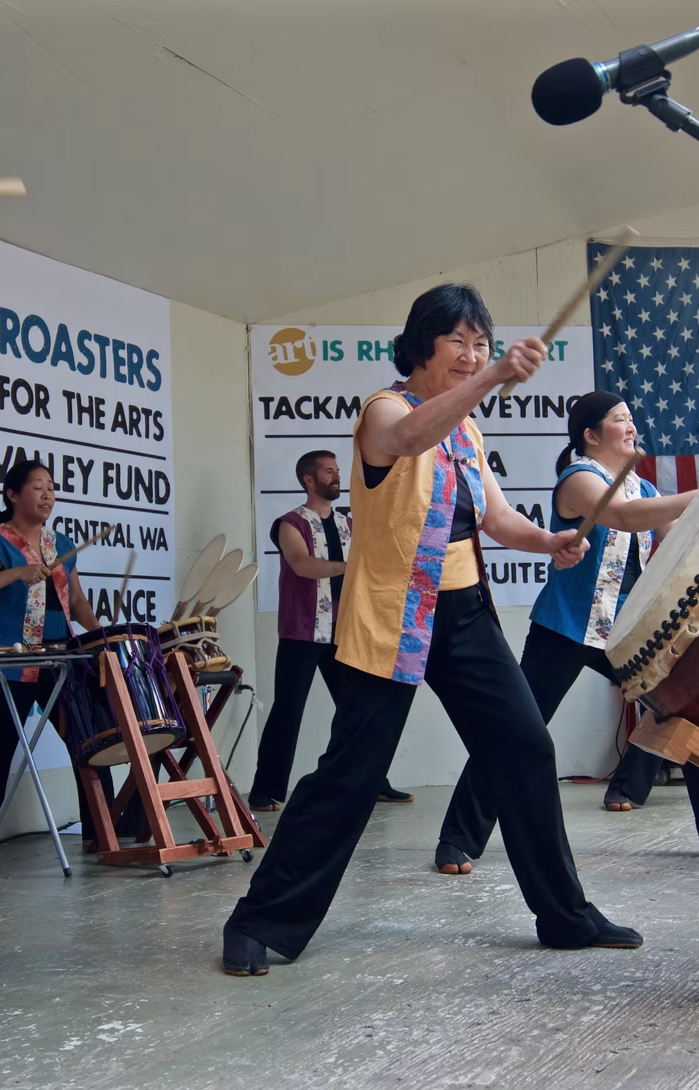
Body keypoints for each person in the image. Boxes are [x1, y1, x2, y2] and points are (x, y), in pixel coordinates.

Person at [221, 283, 641, 977]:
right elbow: (411, 436)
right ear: (422, 345)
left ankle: (565, 916)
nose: (473, 355)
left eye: (482, 344)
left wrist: (552, 541)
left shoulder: (468, 429)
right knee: (350, 775)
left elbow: (498, 519)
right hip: (393, 615)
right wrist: (499, 375)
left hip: (466, 612)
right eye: (459, 342)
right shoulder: (384, 410)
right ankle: (258, 922)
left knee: (525, 747)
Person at [433, 392, 699, 874]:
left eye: (632, 419)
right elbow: (621, 517)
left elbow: (686, 534)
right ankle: (457, 840)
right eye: (620, 420)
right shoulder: (579, 480)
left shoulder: (644, 488)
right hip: (567, 630)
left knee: (689, 711)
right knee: (513, 730)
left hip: (629, 635)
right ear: (590, 436)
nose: (632, 427)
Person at [0, 457, 117, 855]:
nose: (47, 494)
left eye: (51, 486)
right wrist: (14, 574)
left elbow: (76, 601)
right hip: (9, 663)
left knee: (89, 742)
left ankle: (105, 832)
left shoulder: (60, 544)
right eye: (37, 486)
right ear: (12, 494)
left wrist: (100, 641)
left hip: (61, 661)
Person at [249, 450, 412, 812]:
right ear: (309, 480)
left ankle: (374, 782)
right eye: (329, 472)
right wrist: (354, 566)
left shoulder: (349, 522)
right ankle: (265, 790)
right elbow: (303, 565)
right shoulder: (290, 522)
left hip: (346, 629)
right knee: (288, 711)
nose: (337, 476)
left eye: (338, 471)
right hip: (302, 632)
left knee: (359, 709)